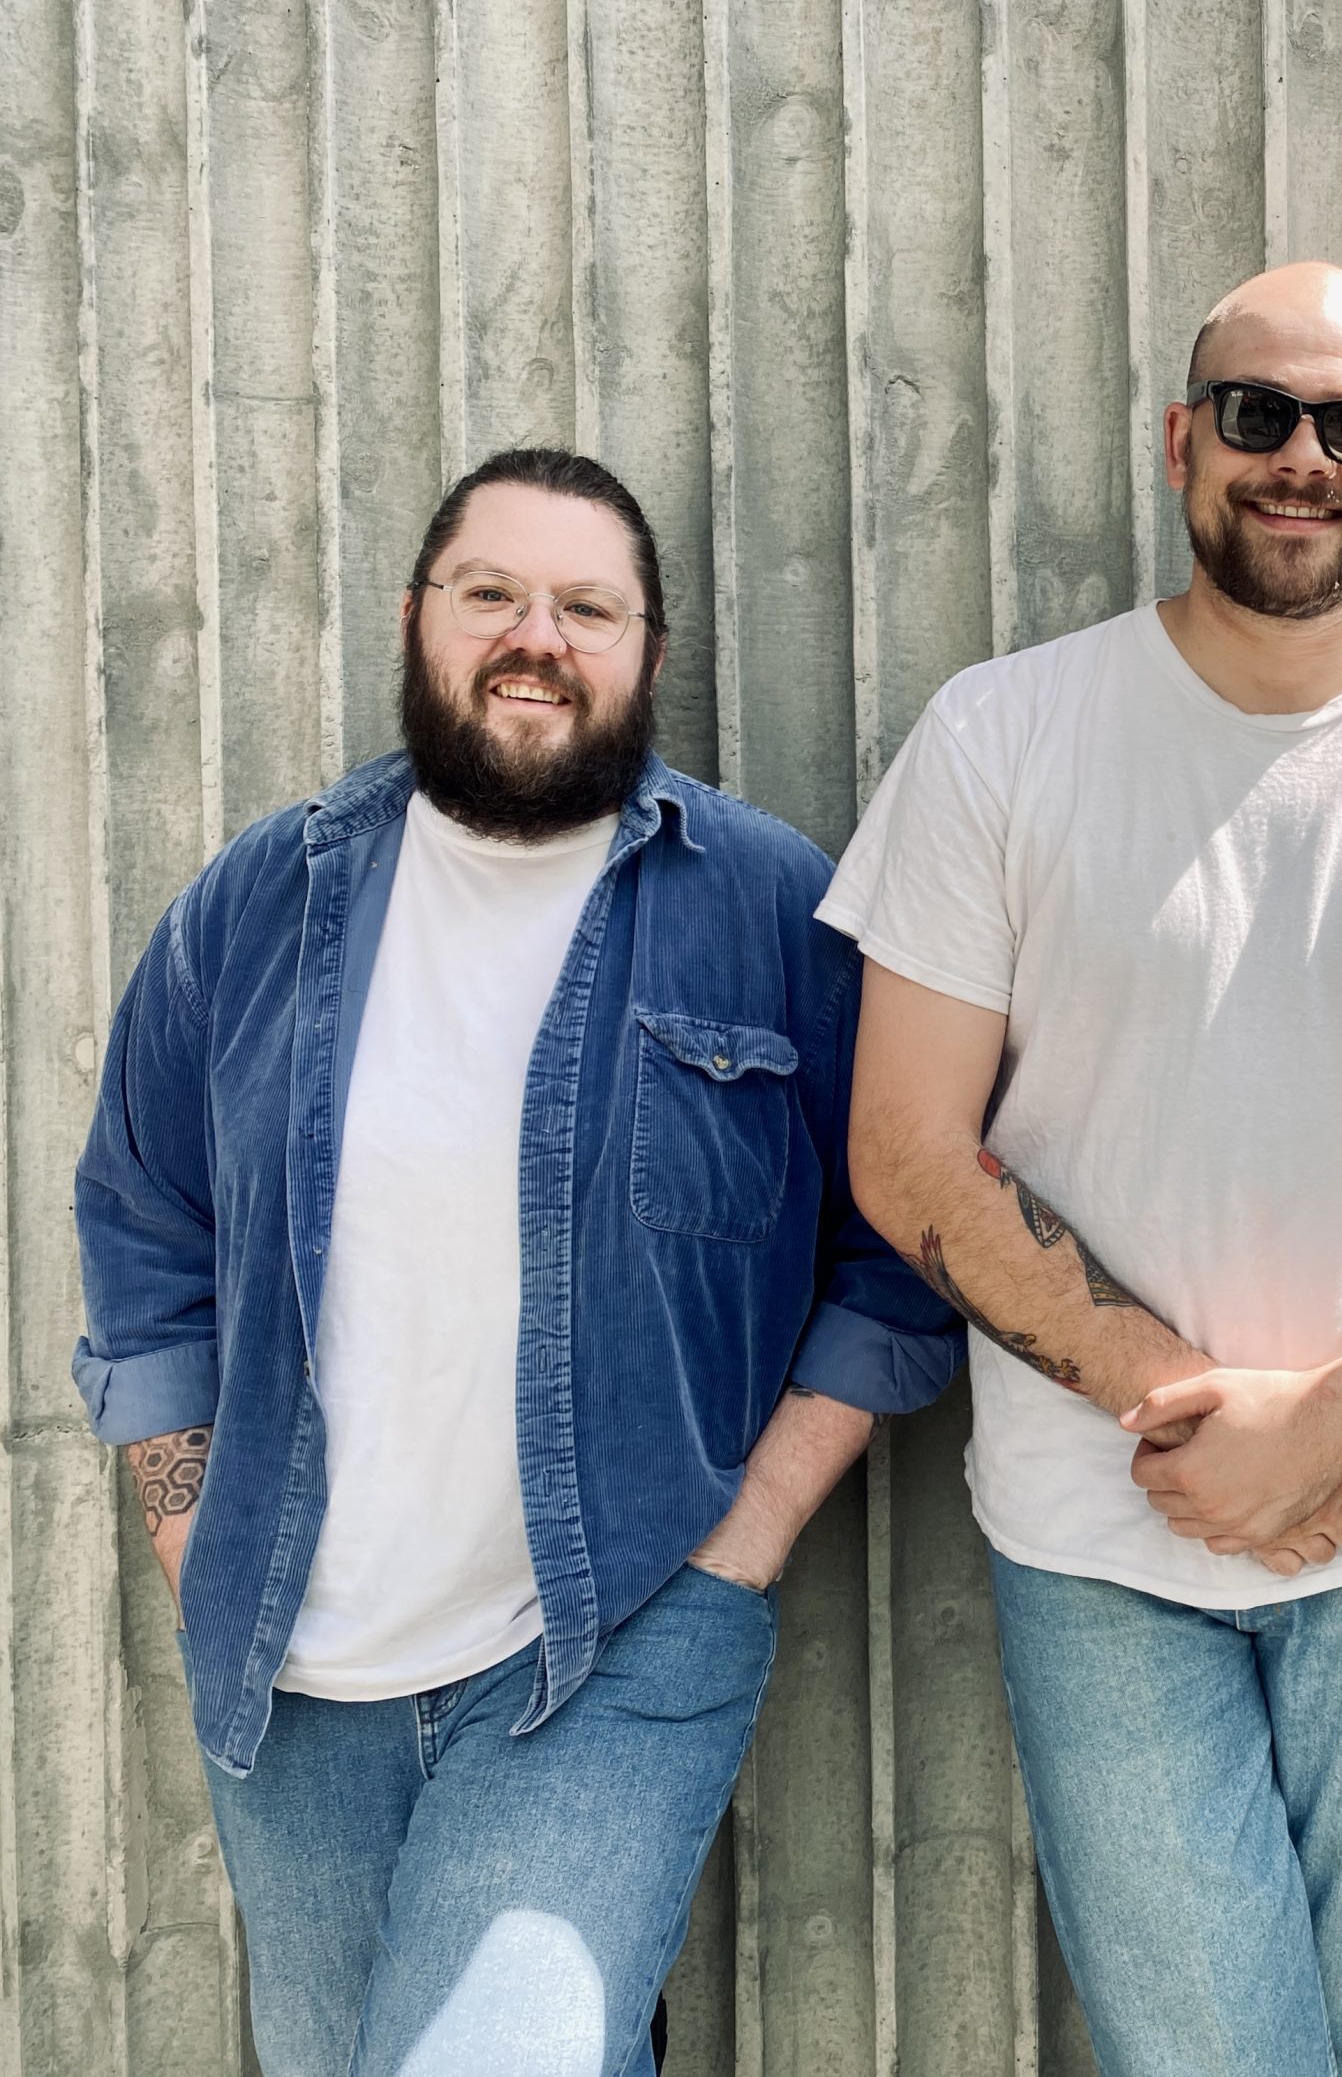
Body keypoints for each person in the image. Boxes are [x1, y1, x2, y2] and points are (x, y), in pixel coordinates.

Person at [825, 261, 1342, 2075]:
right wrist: (1196, 1417)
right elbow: (905, 1148)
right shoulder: (1003, 737)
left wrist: (1335, 1420)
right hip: (1102, 1521)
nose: (1305, 457)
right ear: (1184, 443)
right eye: (1261, 413)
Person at [70, 449, 960, 2077]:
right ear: (420, 619)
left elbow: (904, 1239)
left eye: (586, 605)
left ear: (649, 654)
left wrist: (741, 1541)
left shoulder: (769, 904)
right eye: (492, 593)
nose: (533, 634)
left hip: (617, 1632)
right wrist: (192, 1527)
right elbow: (143, 1229)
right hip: (290, 1666)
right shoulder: (255, 905)